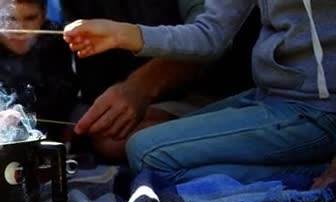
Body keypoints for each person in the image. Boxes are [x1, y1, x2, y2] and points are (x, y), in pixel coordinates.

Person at [63, 0, 335, 185]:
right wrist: (121, 34)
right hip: (269, 97)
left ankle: (313, 169)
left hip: (317, 109)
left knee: (147, 153)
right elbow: (210, 36)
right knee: (141, 149)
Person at [60, 0, 260, 162]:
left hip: (217, 89)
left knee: (127, 144)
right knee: (107, 135)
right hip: (149, 97)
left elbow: (211, 38)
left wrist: (139, 87)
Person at [0, 0, 78, 141]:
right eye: (9, 18)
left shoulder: (58, 40)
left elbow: (65, 98)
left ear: (44, 13)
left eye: (30, 18)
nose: (20, 29)